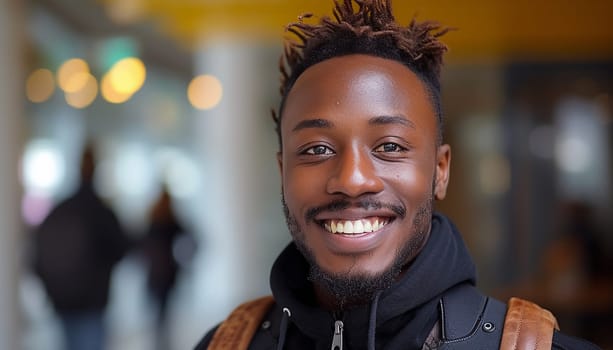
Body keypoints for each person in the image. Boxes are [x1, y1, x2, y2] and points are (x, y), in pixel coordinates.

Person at [194, 0, 601, 349]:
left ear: (440, 171)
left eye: (389, 146)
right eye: (317, 149)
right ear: (283, 171)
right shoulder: (227, 342)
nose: (353, 180)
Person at [33, 143, 130, 350]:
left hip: (63, 299)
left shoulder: (61, 209)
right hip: (92, 300)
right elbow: (121, 248)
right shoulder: (100, 211)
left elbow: (36, 256)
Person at [141, 184, 195, 349]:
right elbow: (193, 239)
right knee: (163, 312)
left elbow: (141, 246)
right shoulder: (171, 220)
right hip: (167, 274)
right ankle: (161, 343)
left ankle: (159, 342)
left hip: (155, 273)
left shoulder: (153, 220)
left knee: (158, 313)